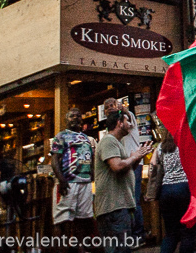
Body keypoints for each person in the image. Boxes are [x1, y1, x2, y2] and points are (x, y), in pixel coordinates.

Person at [94, 109, 152, 253]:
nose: (129, 124)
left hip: (120, 206)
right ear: (119, 123)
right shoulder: (108, 141)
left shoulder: (117, 143)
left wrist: (136, 157)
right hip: (113, 207)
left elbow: (124, 167)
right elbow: (117, 166)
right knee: (119, 249)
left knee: (123, 248)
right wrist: (133, 157)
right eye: (126, 121)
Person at [51, 107, 96, 244]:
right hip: (68, 182)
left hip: (85, 182)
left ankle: (80, 248)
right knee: (62, 220)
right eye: (72, 116)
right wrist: (61, 180)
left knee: (82, 219)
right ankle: (60, 249)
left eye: (78, 116)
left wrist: (92, 175)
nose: (75, 118)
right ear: (66, 120)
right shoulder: (61, 136)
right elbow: (54, 160)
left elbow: (91, 158)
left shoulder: (87, 138)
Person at [102, 97, 144, 241]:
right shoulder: (110, 132)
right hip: (124, 164)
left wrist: (122, 109)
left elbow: (127, 116)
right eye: (107, 107)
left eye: (112, 105)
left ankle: (138, 234)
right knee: (125, 201)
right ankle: (129, 234)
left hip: (133, 164)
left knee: (133, 200)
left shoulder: (126, 118)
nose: (110, 108)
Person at [150, 128, 196, 253]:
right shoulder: (186, 143)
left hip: (166, 191)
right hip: (184, 189)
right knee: (187, 232)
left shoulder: (161, 147)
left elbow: (153, 164)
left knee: (171, 233)